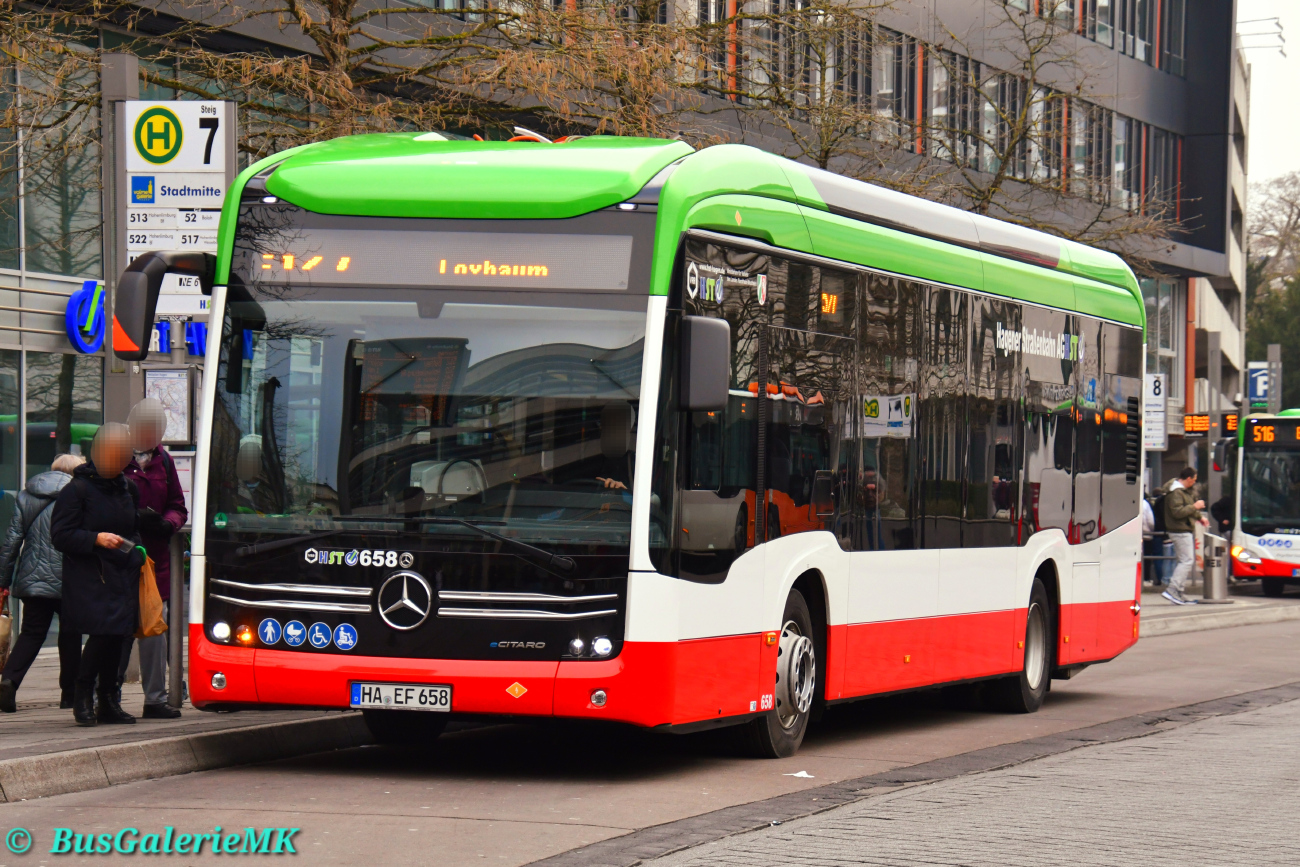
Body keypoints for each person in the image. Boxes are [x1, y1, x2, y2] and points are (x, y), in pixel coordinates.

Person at [51, 423, 144, 726]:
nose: (119, 462)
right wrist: (96, 538)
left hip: (122, 572)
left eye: (123, 456)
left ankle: (108, 699)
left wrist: (138, 552)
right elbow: (61, 536)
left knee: (118, 637)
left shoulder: (127, 488)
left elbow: (133, 528)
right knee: (102, 634)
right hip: (91, 575)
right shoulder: (76, 490)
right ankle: (82, 696)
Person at [0, 454, 85, 713]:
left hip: (33, 576)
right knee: (70, 634)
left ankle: (9, 681)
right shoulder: (79, 496)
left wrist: (3, 580)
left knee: (32, 633)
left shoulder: (26, 496)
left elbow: (12, 541)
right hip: (68, 577)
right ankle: (69, 694)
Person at [119, 399, 188, 719]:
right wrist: (131, 519)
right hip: (121, 555)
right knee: (115, 629)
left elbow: (177, 503)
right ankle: (107, 693)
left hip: (156, 559)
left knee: (154, 629)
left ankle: (155, 698)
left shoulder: (164, 460)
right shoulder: (116, 455)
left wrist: (167, 523)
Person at [1163, 466, 1210, 605]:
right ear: (1188, 478)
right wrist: (1195, 507)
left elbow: (1184, 509)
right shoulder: (1176, 492)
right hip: (1180, 530)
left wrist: (1199, 517)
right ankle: (1173, 589)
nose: (1194, 483)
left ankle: (1178, 592)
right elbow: (1177, 512)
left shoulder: (1180, 491)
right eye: (1194, 480)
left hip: (1181, 530)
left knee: (1184, 560)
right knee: (1187, 560)